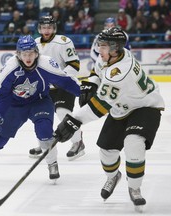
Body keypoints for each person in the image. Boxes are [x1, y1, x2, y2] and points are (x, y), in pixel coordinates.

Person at [54, 27, 165, 212]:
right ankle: (113, 176)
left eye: (103, 46)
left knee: (133, 143)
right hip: (122, 107)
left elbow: (100, 106)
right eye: (100, 45)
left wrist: (74, 119)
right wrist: (91, 82)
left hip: (146, 106)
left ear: (115, 48)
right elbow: (98, 72)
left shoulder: (120, 71)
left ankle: (135, 187)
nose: (99, 49)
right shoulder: (114, 55)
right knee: (106, 151)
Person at [0, 35, 81, 181]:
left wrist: (85, 94)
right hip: (15, 105)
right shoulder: (10, 68)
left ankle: (52, 163)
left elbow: (65, 81)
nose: (28, 57)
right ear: (18, 54)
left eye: (31, 53)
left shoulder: (46, 63)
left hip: (40, 102)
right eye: (24, 54)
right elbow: (2, 95)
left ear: (36, 53)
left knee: (44, 132)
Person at [28, 16, 85, 161]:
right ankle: (44, 143)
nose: (46, 30)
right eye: (43, 27)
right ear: (39, 29)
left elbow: (74, 65)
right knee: (41, 115)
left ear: (54, 28)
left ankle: (77, 143)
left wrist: (60, 80)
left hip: (64, 84)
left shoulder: (63, 42)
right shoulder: (34, 43)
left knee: (63, 112)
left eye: (49, 27)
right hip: (45, 87)